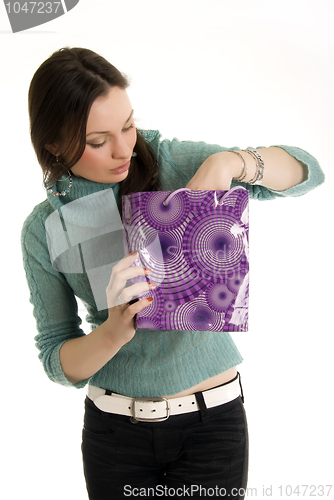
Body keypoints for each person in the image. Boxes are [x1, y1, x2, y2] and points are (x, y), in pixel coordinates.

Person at [21, 47, 325, 500]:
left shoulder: (171, 162)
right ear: (53, 146)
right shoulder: (45, 228)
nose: (124, 149)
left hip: (211, 426)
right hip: (114, 436)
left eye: (127, 125)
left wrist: (231, 162)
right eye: (99, 140)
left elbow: (308, 172)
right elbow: (56, 358)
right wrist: (113, 331)